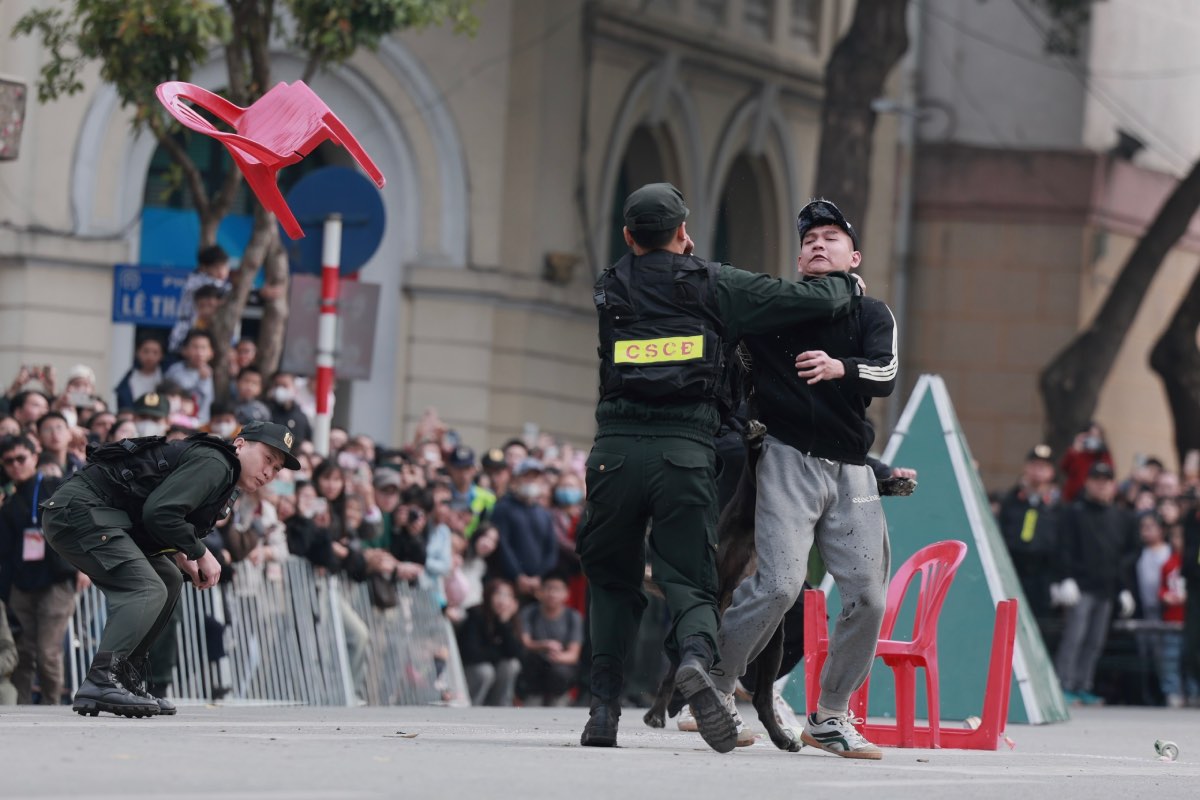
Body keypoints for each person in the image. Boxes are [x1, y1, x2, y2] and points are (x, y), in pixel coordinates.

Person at [578, 183, 858, 752]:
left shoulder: (610, 288)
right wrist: (843, 278)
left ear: (629, 237)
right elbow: (810, 300)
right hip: (683, 451)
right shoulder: (714, 283)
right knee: (691, 580)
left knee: (611, 580)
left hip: (613, 452)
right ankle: (699, 666)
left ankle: (603, 710)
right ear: (684, 233)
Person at [701, 198, 894, 758]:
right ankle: (712, 691)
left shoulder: (872, 313)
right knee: (779, 587)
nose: (817, 242)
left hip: (852, 471)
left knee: (869, 598)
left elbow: (886, 372)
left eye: (831, 237)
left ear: (853, 256)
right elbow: (732, 363)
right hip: (785, 458)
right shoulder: (774, 310)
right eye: (810, 238)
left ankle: (831, 715)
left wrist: (842, 368)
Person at [40, 419, 300, 718]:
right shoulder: (216, 462)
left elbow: (154, 507)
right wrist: (200, 553)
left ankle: (124, 677)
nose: (269, 472)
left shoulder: (225, 474)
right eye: (268, 459)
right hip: (79, 510)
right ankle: (101, 679)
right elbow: (160, 512)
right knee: (146, 586)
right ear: (240, 444)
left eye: (277, 468)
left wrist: (182, 556)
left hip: (101, 515)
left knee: (168, 579)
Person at [1052, 461, 1137, 705]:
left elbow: (1124, 556)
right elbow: (1064, 547)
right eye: (1097, 481)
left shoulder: (1120, 517)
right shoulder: (1073, 512)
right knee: (1074, 637)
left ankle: (1083, 685)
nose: (1102, 486)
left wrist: (1123, 589)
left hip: (1107, 589)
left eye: (1107, 481)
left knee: (1095, 641)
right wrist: (1065, 577)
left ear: (1113, 485)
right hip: (1080, 587)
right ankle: (1064, 684)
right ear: (1088, 483)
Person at [0, 435, 75, 704]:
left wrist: (85, 567)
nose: (16, 465)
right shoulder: (8, 499)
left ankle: (53, 707)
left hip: (56, 580)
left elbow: (78, 524)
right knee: (23, 653)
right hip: (21, 584)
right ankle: (19, 711)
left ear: (35, 457)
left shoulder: (55, 485)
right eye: (9, 461)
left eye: (21, 458)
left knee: (47, 652)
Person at [996, 444, 1061, 624]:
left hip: (1042, 574)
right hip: (1015, 569)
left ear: (1051, 472)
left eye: (1044, 466)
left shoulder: (1055, 505)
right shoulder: (1012, 500)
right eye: (1034, 465)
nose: (1038, 471)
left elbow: (1061, 544)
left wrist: (1059, 579)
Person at [518, 572, 584, 706]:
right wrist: (544, 645)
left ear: (567, 594)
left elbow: (573, 654)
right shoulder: (529, 612)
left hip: (559, 666)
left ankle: (559, 698)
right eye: (548, 588)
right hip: (535, 664)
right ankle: (532, 697)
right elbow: (526, 642)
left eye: (557, 589)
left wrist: (556, 656)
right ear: (540, 592)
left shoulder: (573, 617)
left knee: (560, 672)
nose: (552, 593)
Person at [457, 578, 523, 706]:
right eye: (498, 594)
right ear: (488, 596)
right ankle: (472, 706)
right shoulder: (475, 616)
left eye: (507, 595)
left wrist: (504, 624)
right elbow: (471, 653)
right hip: (472, 670)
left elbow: (517, 653)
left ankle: (501, 706)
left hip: (494, 669)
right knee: (485, 671)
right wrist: (499, 652)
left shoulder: (510, 620)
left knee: (512, 665)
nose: (502, 600)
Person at [168, 244, 231, 354]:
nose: (221, 271)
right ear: (204, 268)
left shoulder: (221, 283)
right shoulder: (196, 280)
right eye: (216, 267)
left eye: (224, 267)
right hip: (188, 330)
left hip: (210, 331)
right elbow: (220, 289)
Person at [165, 330, 216, 424]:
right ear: (185, 350)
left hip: (204, 425)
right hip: (177, 424)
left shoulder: (216, 373)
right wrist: (201, 380)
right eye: (195, 347)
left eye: (203, 348)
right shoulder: (175, 370)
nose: (199, 352)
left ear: (211, 352)